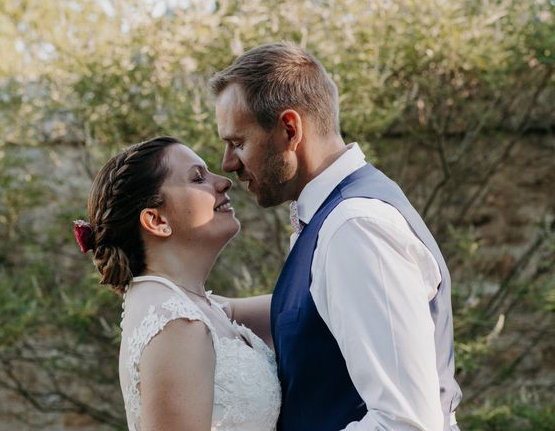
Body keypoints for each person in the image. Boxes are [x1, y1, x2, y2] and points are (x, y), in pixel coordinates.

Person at [210, 42, 462, 430]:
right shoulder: (329, 219)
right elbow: (310, 316)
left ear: (289, 129)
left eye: (238, 143)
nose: (228, 165)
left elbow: (405, 423)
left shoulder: (355, 228)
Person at [73, 136, 281, 430]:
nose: (223, 182)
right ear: (157, 221)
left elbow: (293, 308)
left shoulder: (190, 306)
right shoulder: (176, 322)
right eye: (198, 178)